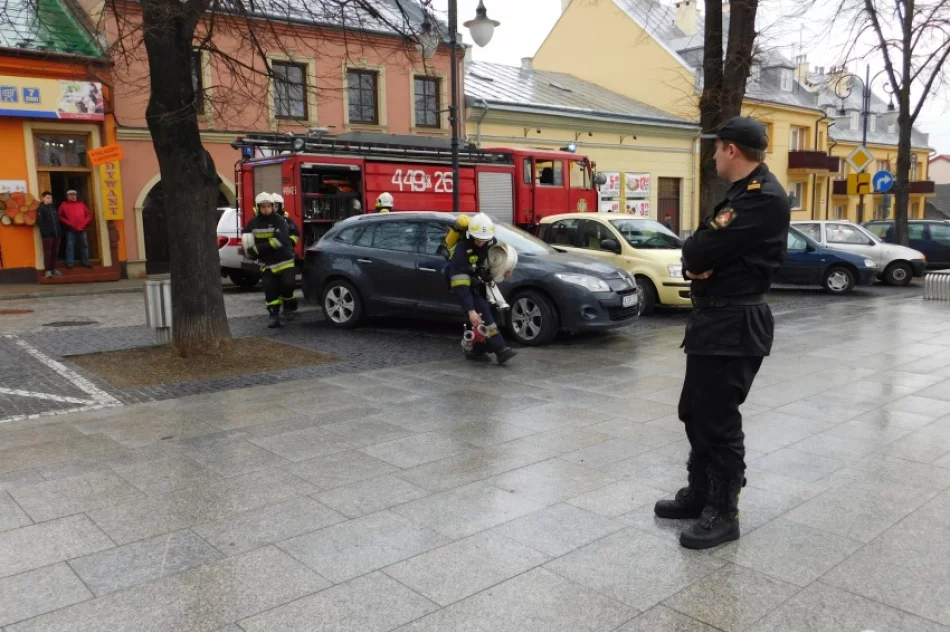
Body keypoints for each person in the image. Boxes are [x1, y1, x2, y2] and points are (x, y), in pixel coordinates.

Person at [654, 116, 790, 550]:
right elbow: (697, 252)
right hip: (715, 320)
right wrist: (698, 261)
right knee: (694, 411)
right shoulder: (740, 193)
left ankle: (723, 512)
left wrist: (700, 261)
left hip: (735, 323)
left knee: (719, 420)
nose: (713, 156)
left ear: (732, 149)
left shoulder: (761, 197)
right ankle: (699, 493)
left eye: (716, 149)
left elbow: (697, 250)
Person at [445, 213, 517, 365]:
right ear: (471, 235)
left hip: (480, 283)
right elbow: (459, 282)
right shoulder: (462, 248)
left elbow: (493, 262)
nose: (480, 243)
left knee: (493, 313)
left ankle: (476, 349)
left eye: (483, 240)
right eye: (477, 240)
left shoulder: (490, 242)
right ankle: (500, 350)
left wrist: (504, 270)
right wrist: (470, 310)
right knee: (483, 311)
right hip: (464, 285)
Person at [243, 192, 296, 328]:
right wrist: (248, 249)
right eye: (263, 206)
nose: (266, 209)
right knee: (269, 290)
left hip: (284, 261)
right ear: (258, 207)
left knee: (287, 284)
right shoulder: (253, 223)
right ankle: (274, 316)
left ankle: (289, 307)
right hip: (266, 264)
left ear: (272, 207)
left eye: (268, 206)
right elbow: (246, 237)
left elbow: (279, 241)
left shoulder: (280, 221)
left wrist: (257, 249)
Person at [272, 192, 300, 320]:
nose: (273, 208)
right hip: (271, 259)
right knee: (274, 287)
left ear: (281, 206)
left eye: (276, 206)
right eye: (271, 205)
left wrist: (289, 243)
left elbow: (296, 233)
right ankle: (276, 312)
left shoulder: (287, 220)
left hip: (285, 258)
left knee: (288, 284)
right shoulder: (264, 221)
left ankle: (289, 307)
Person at [58, 190, 93, 268]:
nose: (73, 196)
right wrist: (68, 223)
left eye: (74, 195)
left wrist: (85, 222)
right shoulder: (64, 205)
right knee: (70, 246)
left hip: (82, 228)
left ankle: (86, 261)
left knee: (84, 245)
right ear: (67, 196)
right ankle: (70, 263)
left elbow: (89, 215)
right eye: (71, 195)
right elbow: (60, 216)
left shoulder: (81, 204)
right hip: (70, 229)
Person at [36, 191, 62, 277]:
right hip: (47, 235)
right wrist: (45, 233)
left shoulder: (53, 208)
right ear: (43, 198)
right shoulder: (41, 208)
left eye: (50, 198)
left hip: (56, 234)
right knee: (48, 253)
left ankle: (54, 268)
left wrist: (59, 232)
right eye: (48, 198)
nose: (50, 199)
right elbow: (40, 222)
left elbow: (57, 221)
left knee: (55, 252)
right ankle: (48, 270)